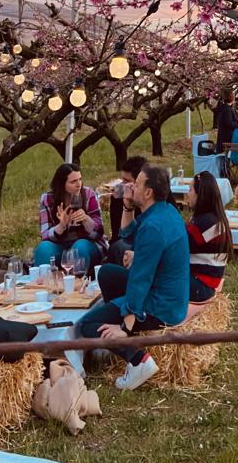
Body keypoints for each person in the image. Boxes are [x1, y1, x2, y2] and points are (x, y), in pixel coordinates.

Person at [76, 164, 189, 391]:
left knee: (86, 324)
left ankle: (138, 360)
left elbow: (140, 279)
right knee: (107, 273)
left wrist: (125, 326)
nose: (130, 186)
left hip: (161, 304)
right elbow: (125, 234)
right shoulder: (165, 211)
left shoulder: (153, 228)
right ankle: (113, 332)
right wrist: (127, 205)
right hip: (168, 292)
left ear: (148, 192)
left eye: (136, 184)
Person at [35, 163, 106, 272]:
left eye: (80, 179)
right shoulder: (48, 199)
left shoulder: (88, 194)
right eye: (73, 182)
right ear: (62, 184)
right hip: (61, 245)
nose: (79, 184)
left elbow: (99, 233)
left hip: (87, 244)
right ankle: (43, 285)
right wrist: (61, 226)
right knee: (43, 249)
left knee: (79, 248)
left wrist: (86, 219)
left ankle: (77, 283)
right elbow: (45, 235)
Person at [185, 172, 231, 302]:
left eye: (190, 190)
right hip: (203, 283)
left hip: (200, 285)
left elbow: (177, 247)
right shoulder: (212, 219)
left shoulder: (204, 223)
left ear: (200, 194)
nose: (188, 194)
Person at [107, 155, 146, 267]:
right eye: (122, 180)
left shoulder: (157, 197)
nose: (122, 185)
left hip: (149, 242)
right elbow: (118, 235)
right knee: (119, 247)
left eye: (127, 181)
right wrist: (127, 206)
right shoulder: (118, 197)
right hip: (127, 241)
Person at [215, 88, 238, 153]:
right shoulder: (227, 109)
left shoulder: (224, 107)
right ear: (231, 97)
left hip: (224, 136)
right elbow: (229, 123)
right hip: (227, 138)